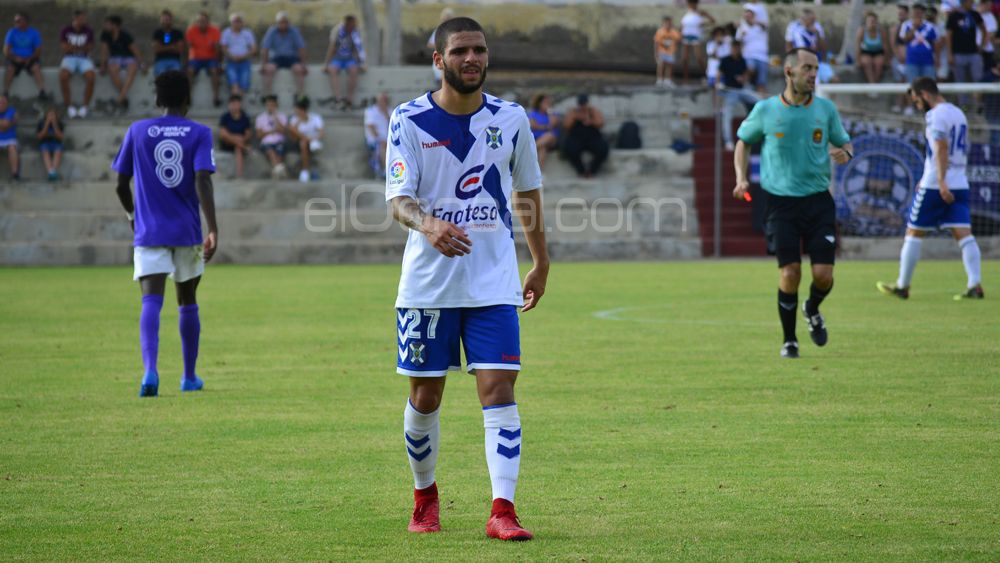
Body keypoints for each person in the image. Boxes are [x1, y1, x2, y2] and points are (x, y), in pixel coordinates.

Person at [386, 16, 548, 541]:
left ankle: (503, 509)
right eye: (460, 51)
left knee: (499, 388)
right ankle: (424, 497)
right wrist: (427, 224)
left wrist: (541, 260)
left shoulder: (511, 117)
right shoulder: (407, 120)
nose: (472, 58)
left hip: (493, 281)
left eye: (479, 50)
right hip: (428, 287)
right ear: (439, 60)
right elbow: (398, 200)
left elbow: (526, 191)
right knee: (426, 396)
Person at [733, 48, 853, 359]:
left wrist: (847, 153)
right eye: (807, 68)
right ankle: (790, 340)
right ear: (789, 72)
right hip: (779, 204)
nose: (814, 74)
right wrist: (740, 178)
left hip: (817, 202)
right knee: (790, 272)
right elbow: (743, 141)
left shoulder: (825, 110)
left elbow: (845, 142)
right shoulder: (765, 109)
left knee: (824, 275)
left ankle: (812, 307)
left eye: (816, 68)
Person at [111, 70, 218, 397]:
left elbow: (119, 184)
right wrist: (213, 227)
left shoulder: (137, 130)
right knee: (187, 300)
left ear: (157, 99)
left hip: (149, 231)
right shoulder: (200, 132)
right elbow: (202, 180)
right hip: (186, 231)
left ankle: (150, 372)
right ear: (188, 99)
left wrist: (133, 215)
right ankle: (188, 377)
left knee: (151, 300)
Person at [877, 78, 984, 301]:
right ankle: (975, 284)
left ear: (925, 94)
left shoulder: (935, 115)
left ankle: (902, 286)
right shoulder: (958, 113)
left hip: (938, 185)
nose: (917, 105)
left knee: (913, 232)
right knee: (964, 234)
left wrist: (940, 180)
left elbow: (941, 147)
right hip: (960, 183)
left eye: (917, 100)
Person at [718, 41, 759, 152]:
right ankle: (728, 141)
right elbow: (719, 74)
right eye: (734, 48)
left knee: (759, 100)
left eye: (738, 48)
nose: (736, 50)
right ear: (731, 48)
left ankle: (758, 130)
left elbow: (746, 74)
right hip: (730, 91)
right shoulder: (725, 60)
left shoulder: (742, 60)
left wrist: (743, 77)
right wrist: (719, 85)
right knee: (727, 115)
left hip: (742, 90)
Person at [899, 3, 940, 111]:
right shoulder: (906, 25)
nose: (918, 13)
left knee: (929, 86)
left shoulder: (930, 26)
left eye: (920, 11)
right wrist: (914, 28)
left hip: (928, 61)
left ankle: (930, 107)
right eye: (916, 10)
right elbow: (904, 39)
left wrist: (937, 58)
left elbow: (935, 43)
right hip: (912, 60)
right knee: (912, 85)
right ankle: (911, 107)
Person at [948, 0, 988, 103]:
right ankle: (964, 106)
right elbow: (949, 35)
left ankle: (978, 105)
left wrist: (982, 46)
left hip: (973, 53)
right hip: (958, 53)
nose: (972, 3)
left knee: (978, 79)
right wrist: (950, 54)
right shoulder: (954, 16)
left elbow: (984, 29)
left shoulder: (975, 14)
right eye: (970, 1)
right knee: (960, 81)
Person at [99, 16, 142, 112]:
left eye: (108, 24)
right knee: (112, 69)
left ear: (114, 25)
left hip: (128, 57)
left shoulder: (125, 35)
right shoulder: (105, 35)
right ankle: (123, 98)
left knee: (133, 68)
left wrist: (141, 63)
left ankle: (120, 98)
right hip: (115, 58)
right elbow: (104, 51)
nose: (105, 26)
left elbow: (134, 50)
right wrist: (102, 65)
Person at [58, 10, 96, 119]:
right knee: (63, 76)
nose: (84, 20)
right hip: (69, 58)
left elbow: (90, 47)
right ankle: (69, 107)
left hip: (84, 58)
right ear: (75, 18)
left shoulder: (89, 30)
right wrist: (81, 48)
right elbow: (64, 48)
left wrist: (72, 47)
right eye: (82, 18)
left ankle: (85, 107)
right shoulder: (66, 30)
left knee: (91, 77)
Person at [260, 11, 307, 97]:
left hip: (291, 57)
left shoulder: (294, 31)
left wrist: (303, 64)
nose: (283, 24)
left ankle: (300, 95)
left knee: (299, 70)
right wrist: (264, 64)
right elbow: (265, 49)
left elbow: (301, 48)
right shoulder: (272, 31)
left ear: (288, 22)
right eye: (281, 22)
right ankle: (268, 95)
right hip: (276, 58)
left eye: (285, 22)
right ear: (277, 23)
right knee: (268, 69)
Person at [324, 15, 367, 109]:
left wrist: (361, 64)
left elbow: (358, 48)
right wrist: (326, 64)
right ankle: (338, 98)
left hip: (350, 59)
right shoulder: (337, 31)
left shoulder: (356, 32)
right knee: (332, 69)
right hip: (337, 58)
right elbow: (332, 47)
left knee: (354, 70)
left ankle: (349, 99)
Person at [561, 94, 608, 178]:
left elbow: (600, 123)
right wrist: (575, 117)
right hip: (576, 138)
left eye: (584, 104)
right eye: (581, 104)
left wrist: (590, 121)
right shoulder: (573, 112)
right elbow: (566, 126)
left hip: (592, 138)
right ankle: (581, 171)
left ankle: (592, 171)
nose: (583, 106)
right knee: (570, 149)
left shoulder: (593, 111)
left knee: (603, 149)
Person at [3, 13, 47, 100]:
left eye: (18, 21)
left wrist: (30, 58)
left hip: (30, 58)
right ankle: (5, 92)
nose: (16, 23)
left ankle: (42, 91)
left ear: (25, 22)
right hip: (15, 58)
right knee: (10, 69)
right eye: (15, 21)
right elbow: (6, 50)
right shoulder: (11, 32)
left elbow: (38, 50)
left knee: (36, 68)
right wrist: (15, 58)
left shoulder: (34, 33)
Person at [186, 12, 223, 108]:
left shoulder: (215, 30)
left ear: (208, 22)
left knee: (215, 71)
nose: (202, 23)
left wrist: (219, 60)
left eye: (204, 21)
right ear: (196, 22)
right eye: (199, 21)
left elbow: (218, 48)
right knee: (190, 71)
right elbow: (188, 48)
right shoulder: (191, 31)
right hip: (196, 58)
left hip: (211, 58)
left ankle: (216, 97)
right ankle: (188, 97)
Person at [288, 95, 324, 183]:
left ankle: (307, 172)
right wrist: (299, 121)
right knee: (303, 143)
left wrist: (314, 138)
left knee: (305, 144)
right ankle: (305, 171)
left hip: (312, 142)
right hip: (297, 142)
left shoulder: (315, 117)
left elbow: (321, 132)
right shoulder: (294, 119)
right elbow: (292, 134)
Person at [678, 0, 716, 83]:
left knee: (699, 58)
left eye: (693, 3)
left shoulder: (701, 12)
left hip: (695, 37)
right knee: (684, 59)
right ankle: (686, 78)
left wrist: (703, 25)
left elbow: (713, 21)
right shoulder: (687, 13)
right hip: (686, 36)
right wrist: (680, 33)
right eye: (690, 3)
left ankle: (707, 75)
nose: (692, 4)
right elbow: (682, 25)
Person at [217, 94, 252, 179]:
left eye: (236, 104)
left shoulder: (245, 117)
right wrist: (235, 137)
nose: (234, 106)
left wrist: (241, 139)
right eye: (232, 104)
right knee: (226, 136)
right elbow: (223, 133)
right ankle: (244, 147)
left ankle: (239, 175)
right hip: (227, 143)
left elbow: (248, 134)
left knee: (238, 147)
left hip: (240, 142)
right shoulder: (225, 117)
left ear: (240, 104)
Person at [220, 13, 256, 96]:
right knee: (233, 81)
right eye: (235, 21)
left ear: (242, 23)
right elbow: (223, 48)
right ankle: (235, 103)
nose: (237, 23)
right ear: (231, 22)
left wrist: (243, 56)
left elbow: (254, 49)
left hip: (245, 61)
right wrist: (232, 56)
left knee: (244, 81)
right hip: (231, 61)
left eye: (239, 21)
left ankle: (238, 105)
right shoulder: (226, 33)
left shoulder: (247, 33)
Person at [736, 8, 769, 94]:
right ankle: (744, 82)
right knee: (751, 68)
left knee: (761, 82)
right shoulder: (741, 28)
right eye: (746, 16)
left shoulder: (760, 25)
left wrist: (755, 22)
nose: (748, 18)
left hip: (762, 57)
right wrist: (741, 35)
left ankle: (763, 101)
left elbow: (766, 25)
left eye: (750, 16)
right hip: (748, 55)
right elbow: (737, 43)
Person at [255, 94, 288, 179]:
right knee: (270, 151)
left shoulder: (282, 116)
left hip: (279, 141)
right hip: (266, 142)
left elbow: (283, 131)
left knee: (280, 152)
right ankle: (280, 171)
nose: (270, 107)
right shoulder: (260, 118)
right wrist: (271, 131)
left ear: (276, 105)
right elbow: (259, 135)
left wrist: (276, 117)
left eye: (272, 105)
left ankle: (277, 172)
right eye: (268, 105)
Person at [857, 12, 889, 85]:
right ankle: (872, 83)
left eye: (874, 21)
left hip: (878, 52)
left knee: (879, 63)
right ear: (866, 22)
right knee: (867, 62)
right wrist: (858, 60)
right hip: (866, 52)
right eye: (870, 21)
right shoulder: (862, 31)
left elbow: (885, 46)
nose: (872, 23)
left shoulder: (881, 31)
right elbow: (857, 46)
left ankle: (876, 83)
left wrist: (887, 60)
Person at [528, 93, 559, 169]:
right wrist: (546, 127)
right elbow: (533, 125)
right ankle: (539, 173)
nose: (547, 104)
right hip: (537, 139)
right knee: (542, 149)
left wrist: (549, 112)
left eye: (548, 102)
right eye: (545, 102)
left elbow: (552, 125)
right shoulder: (533, 114)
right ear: (539, 103)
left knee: (549, 135)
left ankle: (529, 150)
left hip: (550, 140)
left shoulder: (552, 114)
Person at [363, 91, 389, 178]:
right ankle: (386, 171)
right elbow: (371, 127)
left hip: (388, 139)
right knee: (382, 146)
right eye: (381, 100)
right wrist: (379, 138)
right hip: (374, 139)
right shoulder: (370, 111)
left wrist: (386, 113)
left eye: (384, 100)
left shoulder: (390, 111)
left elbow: (393, 125)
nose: (383, 102)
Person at [151, 10, 185, 77]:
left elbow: (180, 49)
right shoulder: (157, 33)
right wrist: (172, 47)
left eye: (168, 19)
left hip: (175, 60)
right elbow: (156, 49)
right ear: (161, 20)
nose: (166, 22)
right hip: (160, 61)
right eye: (164, 19)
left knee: (177, 77)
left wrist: (163, 47)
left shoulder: (178, 33)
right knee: (161, 77)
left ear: (171, 20)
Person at [426, 8, 455, 82]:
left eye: (449, 18)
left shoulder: (455, 31)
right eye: (445, 18)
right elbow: (430, 44)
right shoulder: (439, 30)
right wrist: (441, 46)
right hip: (441, 61)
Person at [36, 106, 64, 181]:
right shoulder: (41, 123)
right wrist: (47, 124)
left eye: (53, 115)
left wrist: (54, 124)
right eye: (49, 115)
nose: (51, 117)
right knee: (45, 151)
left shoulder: (59, 124)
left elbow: (60, 137)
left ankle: (52, 172)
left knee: (58, 151)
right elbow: (40, 136)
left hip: (56, 143)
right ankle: (51, 172)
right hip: (45, 143)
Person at [653, 16, 681, 87]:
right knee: (661, 65)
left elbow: (678, 40)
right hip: (661, 51)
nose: (668, 25)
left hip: (671, 52)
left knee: (669, 66)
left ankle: (667, 80)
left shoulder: (674, 32)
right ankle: (659, 80)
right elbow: (656, 42)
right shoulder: (660, 31)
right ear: (663, 24)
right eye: (666, 23)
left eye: (669, 23)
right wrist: (656, 53)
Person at [0, 94, 19, 181]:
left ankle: (14, 174)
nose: (2, 104)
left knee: (12, 148)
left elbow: (5, 124)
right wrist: (5, 124)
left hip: (9, 138)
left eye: (4, 102)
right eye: (0, 102)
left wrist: (6, 124)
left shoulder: (11, 111)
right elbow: (4, 125)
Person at [979, 0, 998, 73]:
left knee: (986, 72)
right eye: (988, 5)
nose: (990, 7)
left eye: (990, 5)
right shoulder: (975, 14)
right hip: (975, 48)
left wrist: (982, 47)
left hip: (986, 50)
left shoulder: (991, 17)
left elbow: (990, 35)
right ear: (982, 4)